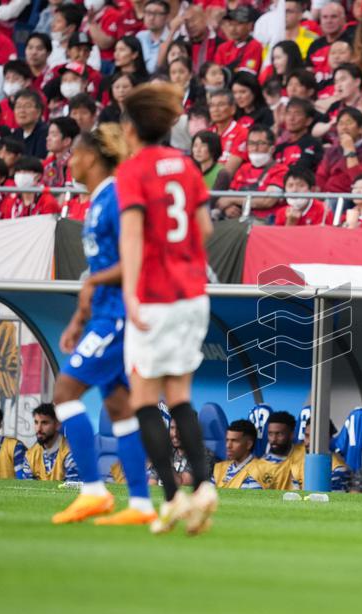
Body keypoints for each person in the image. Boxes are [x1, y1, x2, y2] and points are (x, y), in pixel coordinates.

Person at [117, 83, 216, 536]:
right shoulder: (187, 166)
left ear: (131, 128)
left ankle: (174, 497)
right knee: (179, 395)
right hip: (192, 293)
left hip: (155, 296)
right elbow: (205, 228)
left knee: (143, 400)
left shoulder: (133, 170)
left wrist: (131, 294)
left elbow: (132, 236)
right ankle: (205, 486)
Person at [49, 124, 157, 526]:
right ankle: (142, 505)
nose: (69, 162)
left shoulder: (117, 197)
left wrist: (92, 284)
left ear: (91, 157)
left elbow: (138, 258)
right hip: (105, 313)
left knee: (65, 391)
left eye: (74, 154)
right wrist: (81, 316)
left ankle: (93, 491)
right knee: (120, 409)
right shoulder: (97, 202)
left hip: (118, 317)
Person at [212, 420, 282, 490]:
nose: (228, 445)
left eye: (234, 441)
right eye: (227, 440)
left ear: (249, 444)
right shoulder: (219, 468)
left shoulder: (259, 473)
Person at [24, 403, 78, 482]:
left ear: (57, 425)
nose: (38, 429)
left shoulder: (71, 452)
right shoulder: (30, 455)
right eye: (36, 422)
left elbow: (73, 486)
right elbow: (28, 487)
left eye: (44, 423)